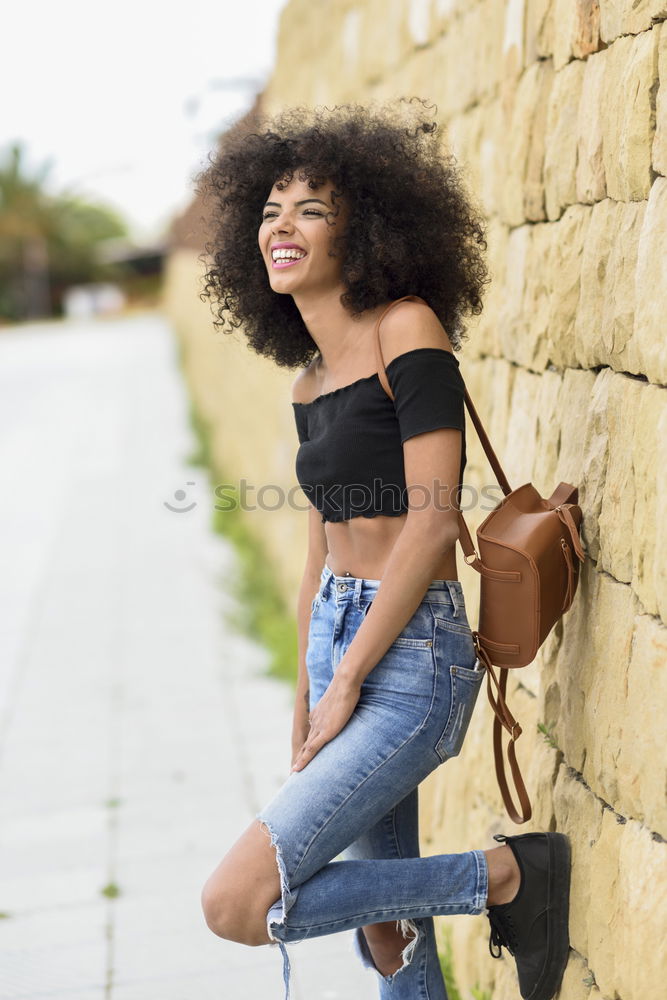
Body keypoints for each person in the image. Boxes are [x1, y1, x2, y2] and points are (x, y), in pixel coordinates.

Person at [196, 99, 571, 1000]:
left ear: (360, 231)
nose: (281, 227)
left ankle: (505, 877)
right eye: (268, 210)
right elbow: (316, 557)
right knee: (385, 934)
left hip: (412, 658)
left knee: (240, 901)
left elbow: (435, 519)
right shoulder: (309, 381)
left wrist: (353, 678)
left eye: (310, 210)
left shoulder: (407, 328)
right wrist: (306, 690)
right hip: (339, 639)